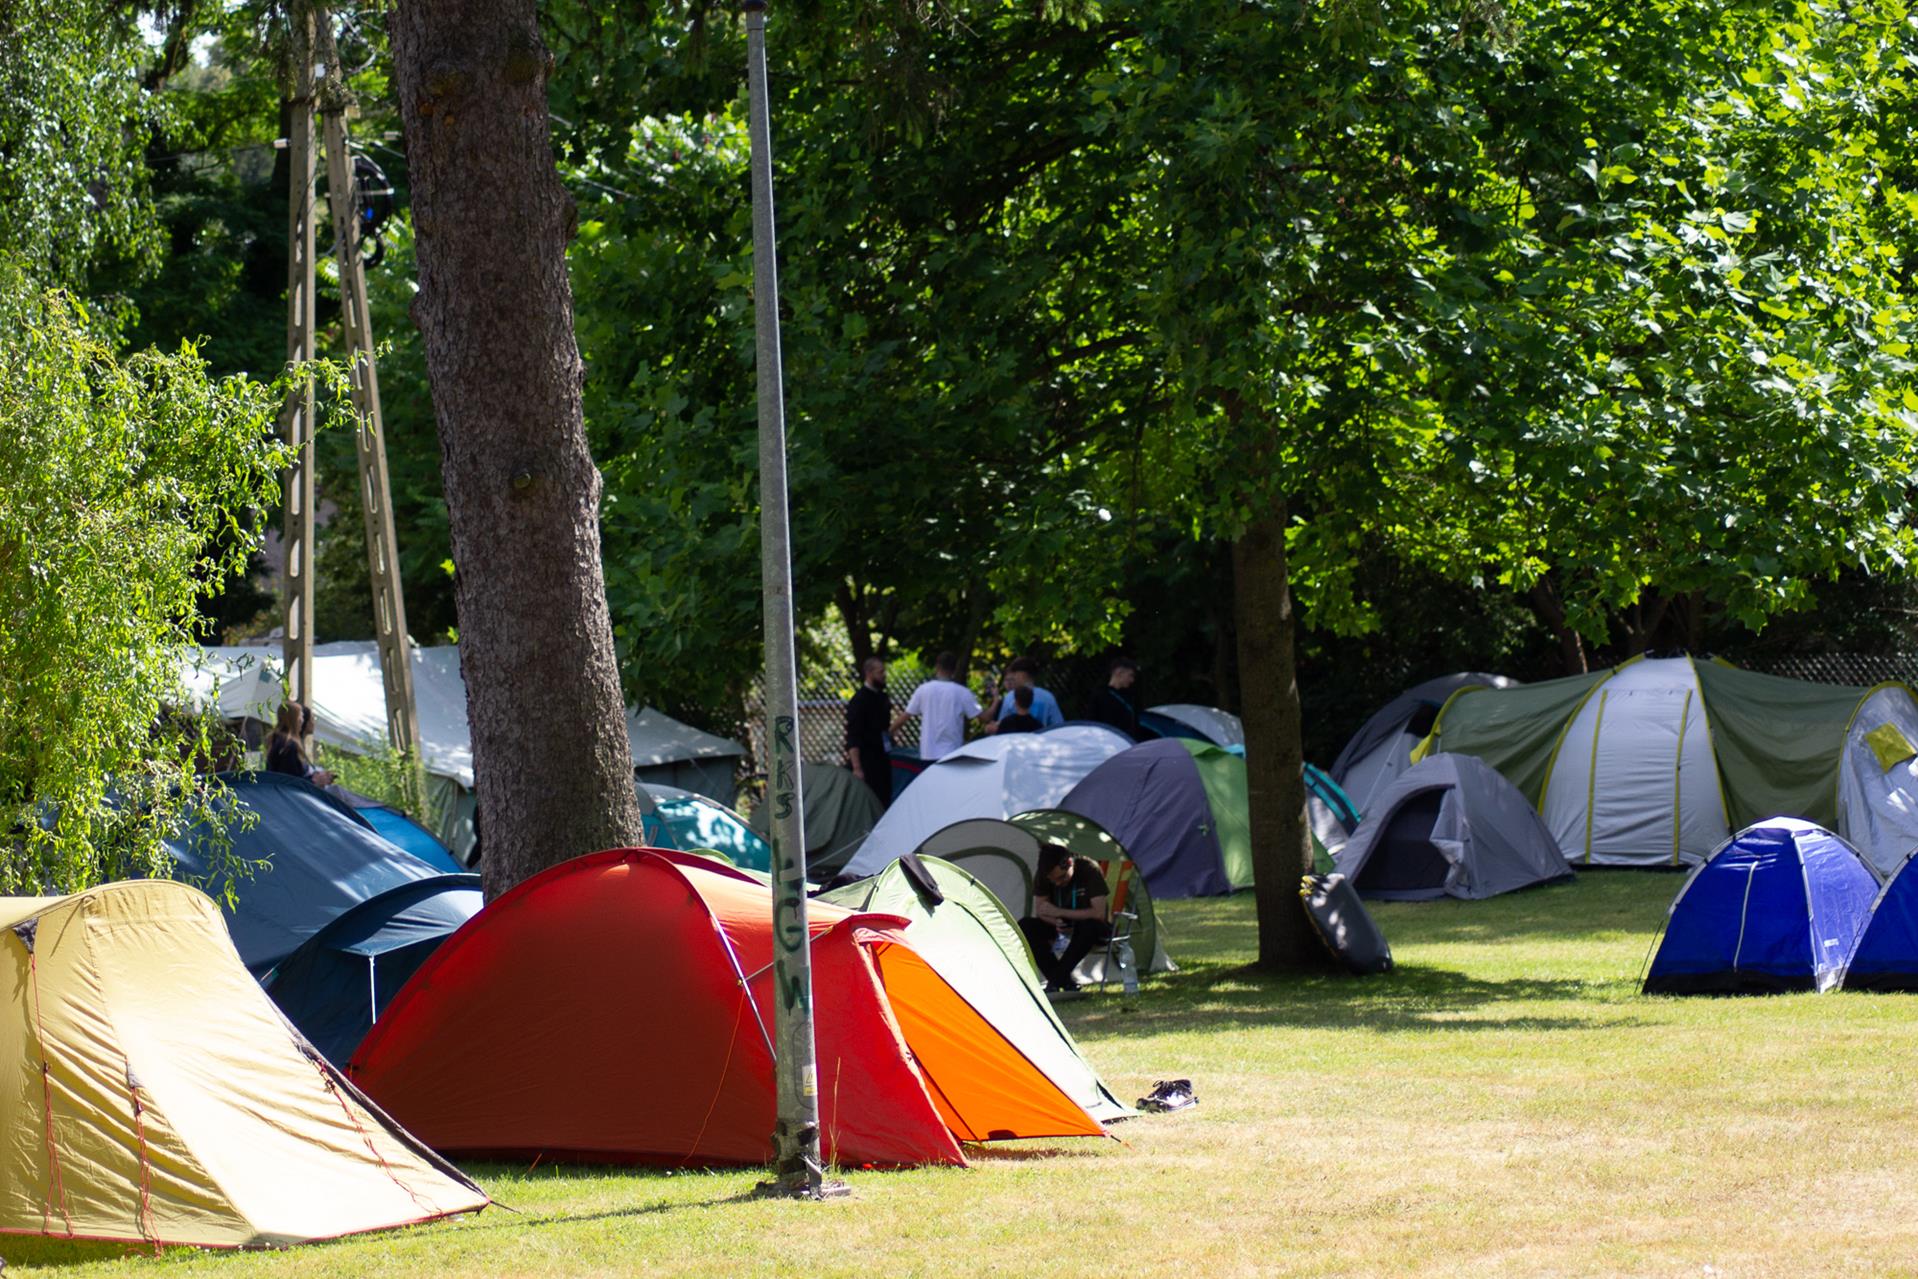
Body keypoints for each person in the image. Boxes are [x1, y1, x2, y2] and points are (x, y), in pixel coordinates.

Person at [1019, 844, 1110, 993]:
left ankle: (1055, 980)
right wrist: (1056, 921)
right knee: (1026, 926)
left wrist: (1059, 912)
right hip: (1060, 925)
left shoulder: (1089, 869)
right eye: (1053, 880)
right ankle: (1065, 983)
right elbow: (1041, 911)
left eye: (1062, 877)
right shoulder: (1044, 874)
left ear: (1069, 863)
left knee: (1089, 927)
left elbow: (1099, 913)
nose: (1058, 883)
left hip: (1089, 927)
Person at [890, 651, 985, 762]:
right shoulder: (962, 692)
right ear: (954, 669)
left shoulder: (923, 690)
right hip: (952, 753)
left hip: (928, 753)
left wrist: (888, 732)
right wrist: (996, 700)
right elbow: (984, 718)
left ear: (937, 667)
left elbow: (905, 716)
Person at [843, 656, 893, 807]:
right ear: (869, 673)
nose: (884, 675)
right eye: (880, 672)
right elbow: (853, 736)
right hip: (867, 761)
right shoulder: (859, 700)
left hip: (882, 759)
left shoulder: (882, 697)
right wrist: (857, 768)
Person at [265, 701, 334, 786]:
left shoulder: (277, 740)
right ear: (293, 720)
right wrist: (315, 781)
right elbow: (291, 782)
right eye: (300, 716)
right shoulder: (289, 746)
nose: (302, 720)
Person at [986, 656, 1063, 730]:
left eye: (1015, 673)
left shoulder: (1011, 697)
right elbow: (1058, 725)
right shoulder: (1048, 697)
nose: (1013, 677)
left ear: (1022, 674)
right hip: (1041, 738)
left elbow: (1002, 725)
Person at [1086, 656, 1142, 739]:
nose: (1132, 680)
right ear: (1119, 672)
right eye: (1130, 675)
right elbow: (1092, 722)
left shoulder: (1131, 696)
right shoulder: (1099, 695)